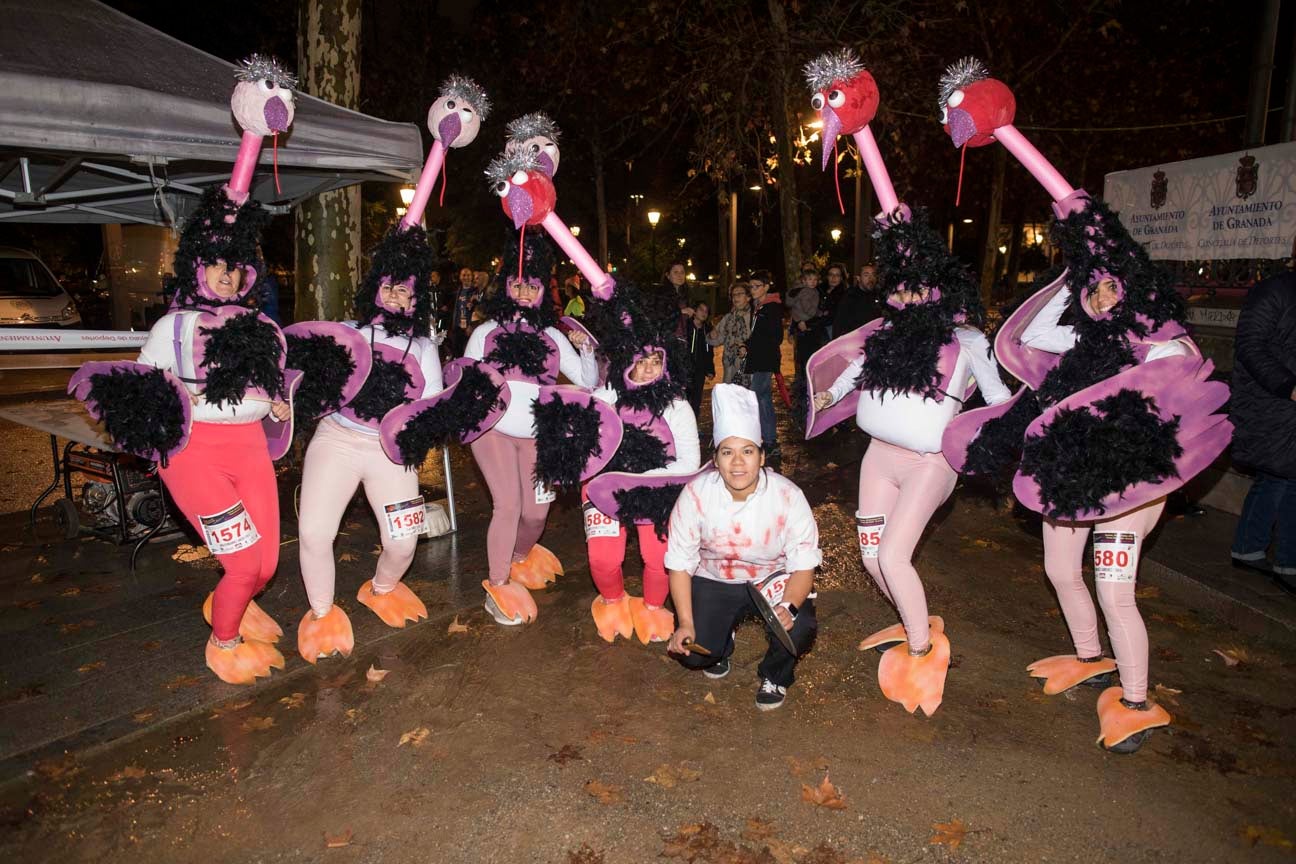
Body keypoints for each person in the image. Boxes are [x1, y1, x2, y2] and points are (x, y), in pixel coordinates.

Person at [811, 208, 1011, 718]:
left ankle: (922, 649)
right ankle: (910, 616)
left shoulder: (967, 341)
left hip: (929, 464)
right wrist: (827, 393)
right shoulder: (884, 336)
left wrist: (989, 436)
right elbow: (853, 371)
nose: (904, 299)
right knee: (871, 554)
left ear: (938, 291)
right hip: (878, 459)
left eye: (914, 290)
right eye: (897, 291)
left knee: (894, 557)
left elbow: (997, 398)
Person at [294, 222, 444, 664]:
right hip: (336, 439)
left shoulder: (423, 348)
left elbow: (430, 407)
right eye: (390, 288)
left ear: (416, 300)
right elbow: (303, 379)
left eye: (407, 292)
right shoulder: (344, 331)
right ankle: (322, 612)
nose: (397, 298)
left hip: (392, 451)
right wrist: (286, 403)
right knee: (314, 532)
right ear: (375, 288)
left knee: (403, 543)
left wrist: (423, 431)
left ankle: (382, 589)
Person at [665, 384, 821, 711]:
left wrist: (790, 607)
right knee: (694, 652)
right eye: (727, 452)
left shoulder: (788, 497)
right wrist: (686, 622)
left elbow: (804, 566)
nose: (738, 463)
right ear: (715, 460)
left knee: (800, 626)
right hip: (714, 577)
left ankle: (775, 674)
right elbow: (679, 564)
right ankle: (721, 642)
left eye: (747, 451)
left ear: (762, 457)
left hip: (771, 578)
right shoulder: (694, 496)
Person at [580, 283, 701, 643]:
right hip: (606, 487)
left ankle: (652, 607)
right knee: (603, 559)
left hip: (658, 488)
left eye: (656, 361)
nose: (648, 369)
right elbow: (582, 448)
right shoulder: (605, 397)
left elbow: (690, 461)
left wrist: (647, 478)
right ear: (626, 360)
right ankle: (613, 600)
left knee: (659, 555)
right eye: (641, 360)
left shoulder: (677, 406)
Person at [1229, 264, 1296, 591]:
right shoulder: (1274, 290)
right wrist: (1287, 385)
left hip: (1283, 403)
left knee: (1277, 476)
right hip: (1275, 402)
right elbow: (1250, 345)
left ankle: (1248, 548)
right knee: (1285, 476)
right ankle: (1288, 563)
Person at [743, 270, 784, 466]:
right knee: (762, 397)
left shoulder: (771, 308)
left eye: (756, 286)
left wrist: (756, 343)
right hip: (758, 357)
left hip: (765, 359)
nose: (753, 290)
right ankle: (768, 439)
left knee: (758, 396)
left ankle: (767, 439)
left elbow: (776, 336)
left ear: (767, 287)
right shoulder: (757, 306)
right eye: (751, 286)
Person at [709, 281, 754, 384]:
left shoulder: (753, 316)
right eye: (733, 295)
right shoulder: (728, 318)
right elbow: (718, 339)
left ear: (748, 297)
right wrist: (712, 336)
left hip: (748, 366)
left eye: (739, 294)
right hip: (729, 367)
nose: (735, 297)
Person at [788, 265, 825, 378]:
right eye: (810, 279)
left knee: (804, 356)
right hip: (806, 321)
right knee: (806, 356)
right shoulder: (808, 291)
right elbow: (806, 306)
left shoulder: (806, 290)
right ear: (804, 280)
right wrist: (815, 313)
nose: (813, 282)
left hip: (804, 323)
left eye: (815, 280)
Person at [833, 263, 884, 336]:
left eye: (873, 275)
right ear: (858, 278)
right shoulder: (849, 296)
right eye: (866, 275)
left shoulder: (878, 295)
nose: (871, 278)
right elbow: (839, 325)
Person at [684, 301, 714, 416]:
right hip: (685, 369)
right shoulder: (686, 326)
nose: (704, 313)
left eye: (706, 311)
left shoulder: (707, 330)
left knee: (696, 401)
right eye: (701, 309)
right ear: (694, 311)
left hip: (699, 370)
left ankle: (694, 426)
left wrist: (710, 369)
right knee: (684, 399)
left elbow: (709, 352)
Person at [450, 266, 479, 356]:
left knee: (468, 353)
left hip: (469, 327)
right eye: (463, 275)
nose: (466, 277)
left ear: (472, 277)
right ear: (460, 277)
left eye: (468, 275)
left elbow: (477, 310)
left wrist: (471, 325)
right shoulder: (457, 291)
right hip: (458, 327)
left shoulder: (475, 291)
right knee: (457, 352)